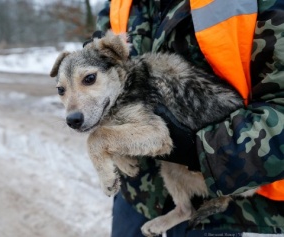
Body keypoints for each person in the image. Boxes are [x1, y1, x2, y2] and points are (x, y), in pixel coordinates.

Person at [91, 0, 284, 236]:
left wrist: (199, 150)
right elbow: (104, 62)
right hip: (136, 195)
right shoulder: (119, 2)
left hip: (234, 210)